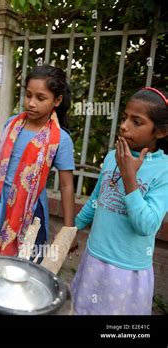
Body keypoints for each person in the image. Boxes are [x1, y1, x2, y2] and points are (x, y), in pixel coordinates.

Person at [71, 87, 168, 315]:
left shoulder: (163, 170)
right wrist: (72, 230)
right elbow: (96, 201)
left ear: (161, 132)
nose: (124, 126)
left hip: (126, 272)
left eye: (136, 122)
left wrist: (129, 177)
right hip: (94, 260)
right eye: (125, 118)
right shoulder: (111, 157)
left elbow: (147, 225)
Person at [0, 65, 75, 259]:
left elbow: (66, 185)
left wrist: (69, 230)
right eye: (28, 95)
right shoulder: (11, 125)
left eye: (40, 98)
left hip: (30, 212)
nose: (31, 103)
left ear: (57, 100)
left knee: (22, 266)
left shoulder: (60, 139)